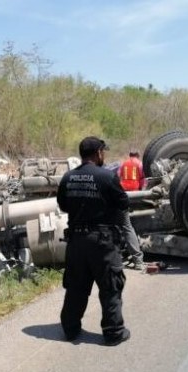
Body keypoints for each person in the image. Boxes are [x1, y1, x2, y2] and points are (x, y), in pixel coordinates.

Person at [57, 136, 131, 346]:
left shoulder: (68, 177)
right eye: (103, 152)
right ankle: (114, 332)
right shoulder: (107, 177)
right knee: (110, 286)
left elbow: (63, 206)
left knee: (76, 287)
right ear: (99, 153)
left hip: (76, 242)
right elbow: (123, 203)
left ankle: (70, 329)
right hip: (102, 242)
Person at [118, 151, 146, 270]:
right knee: (130, 225)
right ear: (138, 155)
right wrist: (144, 192)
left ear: (129, 155)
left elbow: (119, 176)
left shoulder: (123, 164)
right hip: (136, 193)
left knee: (125, 224)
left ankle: (122, 250)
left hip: (124, 192)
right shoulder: (139, 164)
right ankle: (137, 257)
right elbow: (143, 179)